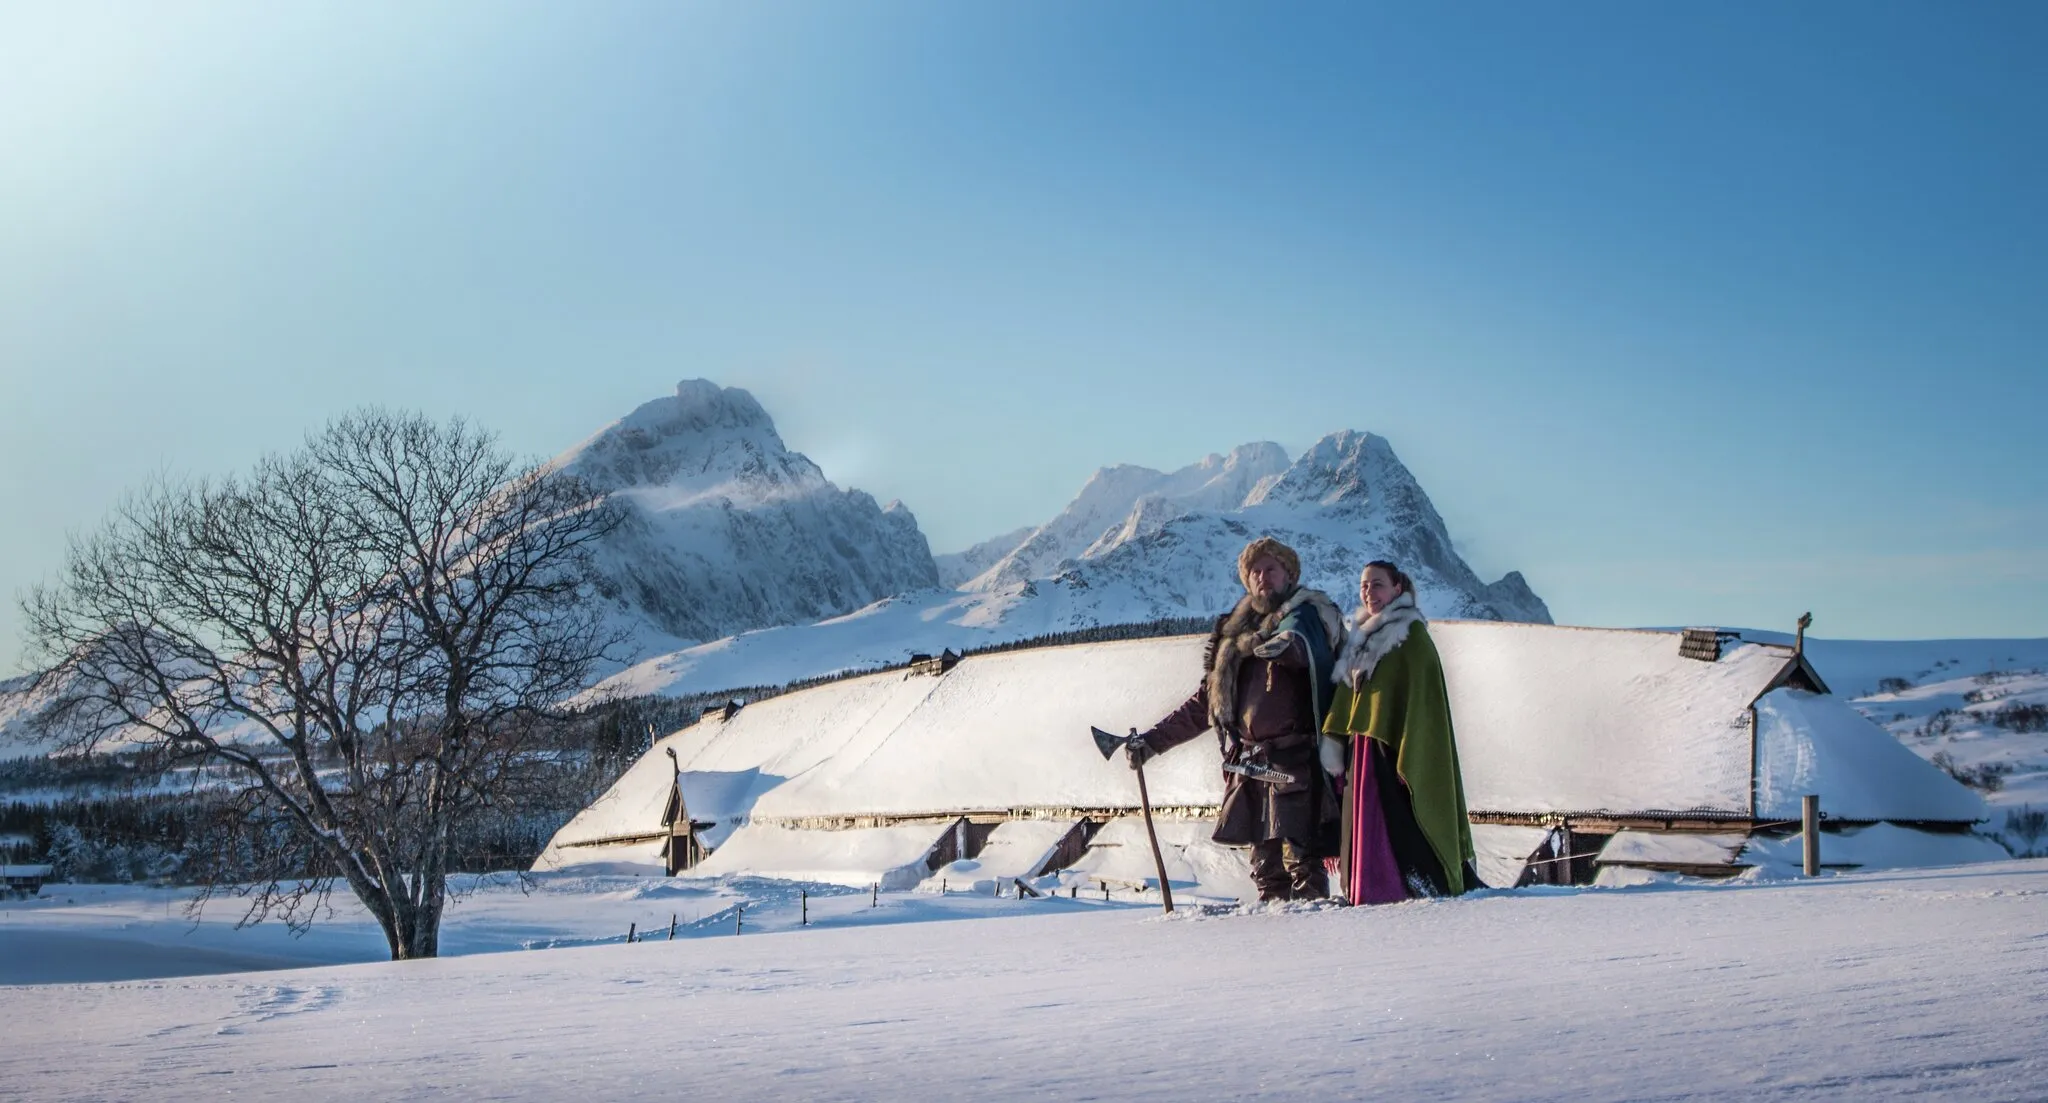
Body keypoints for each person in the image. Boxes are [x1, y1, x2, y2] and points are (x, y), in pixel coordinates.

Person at [1125, 536, 1344, 902]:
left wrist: (1284, 648)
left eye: (1270, 568)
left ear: (1289, 574)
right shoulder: (1235, 635)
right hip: (1250, 765)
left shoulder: (1309, 614)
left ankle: (1314, 934)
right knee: (1266, 871)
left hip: (1296, 763)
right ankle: (1272, 935)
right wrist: (1151, 742)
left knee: (1303, 862)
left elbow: (1307, 651)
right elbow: (1205, 704)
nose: (1262, 576)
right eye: (1255, 571)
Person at [1320, 560, 1480, 904]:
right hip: (1363, 750)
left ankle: (1402, 890)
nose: (1369, 592)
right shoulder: (1362, 638)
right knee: (1366, 827)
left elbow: (1423, 707)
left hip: (1395, 751)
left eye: (1377, 584)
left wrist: (1412, 748)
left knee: (1397, 827)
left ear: (1397, 589)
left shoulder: (1411, 636)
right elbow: (1348, 699)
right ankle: (1366, 891)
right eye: (1364, 585)